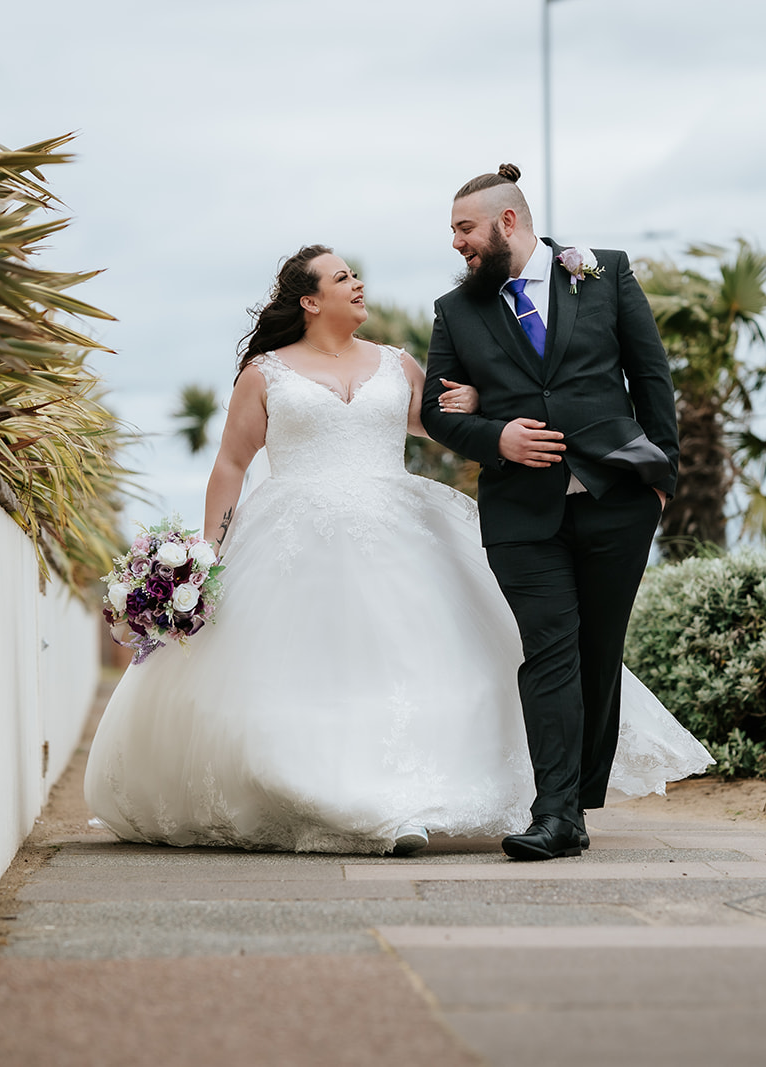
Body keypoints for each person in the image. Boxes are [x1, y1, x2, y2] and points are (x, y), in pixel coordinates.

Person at [82, 244, 710, 855]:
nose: (358, 284)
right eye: (342, 277)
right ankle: (314, 789)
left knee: (425, 661)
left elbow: (442, 422)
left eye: (356, 275)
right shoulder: (265, 373)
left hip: (399, 525)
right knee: (306, 671)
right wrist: (208, 555)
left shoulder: (397, 363)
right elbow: (231, 465)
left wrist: (481, 402)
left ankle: (418, 796)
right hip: (292, 537)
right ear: (309, 300)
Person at [421, 164, 683, 861]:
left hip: (617, 502)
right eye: (453, 232)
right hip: (520, 517)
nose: (457, 244)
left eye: (465, 229)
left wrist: (663, 482)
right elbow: (432, 413)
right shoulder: (455, 312)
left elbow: (650, 375)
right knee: (550, 653)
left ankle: (576, 799)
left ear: (509, 223)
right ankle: (556, 813)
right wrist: (496, 436)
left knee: (598, 654)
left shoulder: (605, 274)